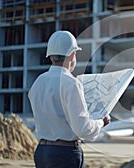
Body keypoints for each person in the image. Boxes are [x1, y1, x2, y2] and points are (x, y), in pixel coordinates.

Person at [28, 30, 110, 168]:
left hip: (41, 152)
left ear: (50, 56)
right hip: (64, 154)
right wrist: (101, 122)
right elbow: (83, 129)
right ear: (73, 54)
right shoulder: (71, 83)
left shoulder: (38, 82)